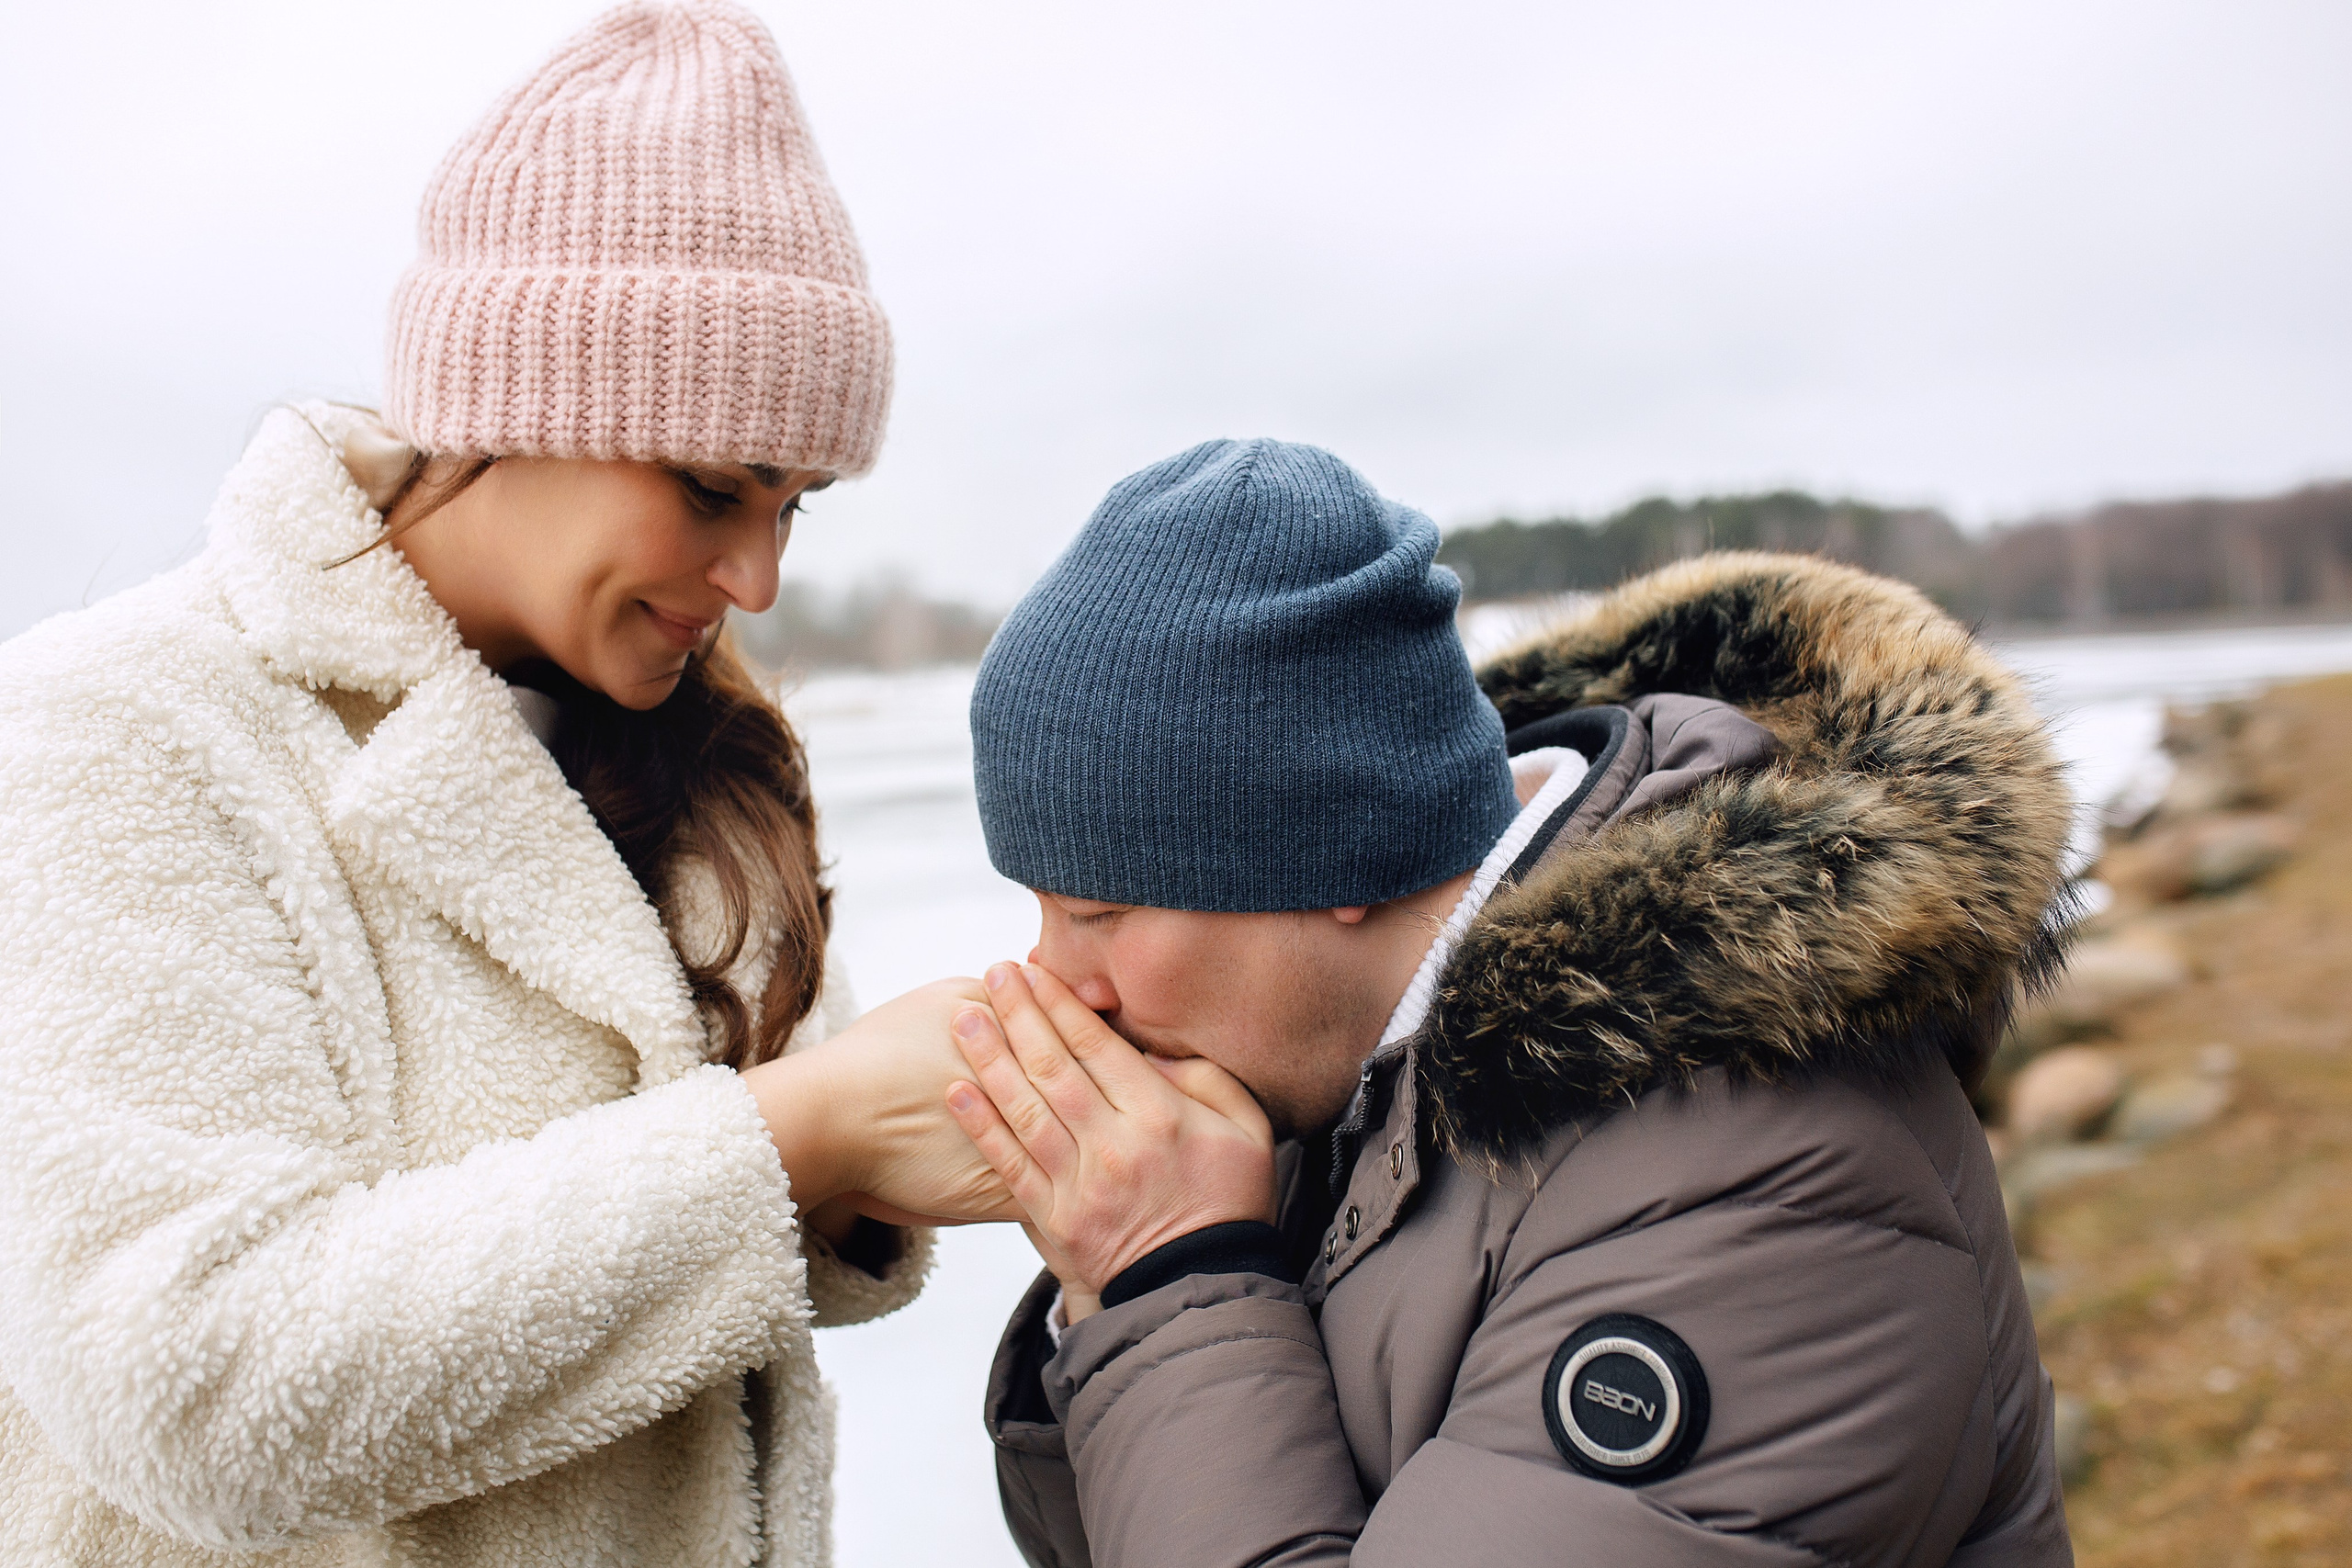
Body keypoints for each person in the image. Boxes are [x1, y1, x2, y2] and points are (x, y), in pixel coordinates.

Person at [0, 6, 1011, 1564]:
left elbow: (786, 1243)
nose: (753, 575)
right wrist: (790, 1139)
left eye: (793, 506)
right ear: (516, 408)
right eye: (707, 489)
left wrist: (916, 1129)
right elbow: (188, 1381)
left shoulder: (694, 749)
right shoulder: (116, 727)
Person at [946, 439, 2078, 1566]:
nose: (1056, 983)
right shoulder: (1341, 1070)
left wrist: (1168, 1281)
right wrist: (1114, 1276)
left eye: (1097, 914)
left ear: (1338, 851)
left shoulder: (1763, 1187)